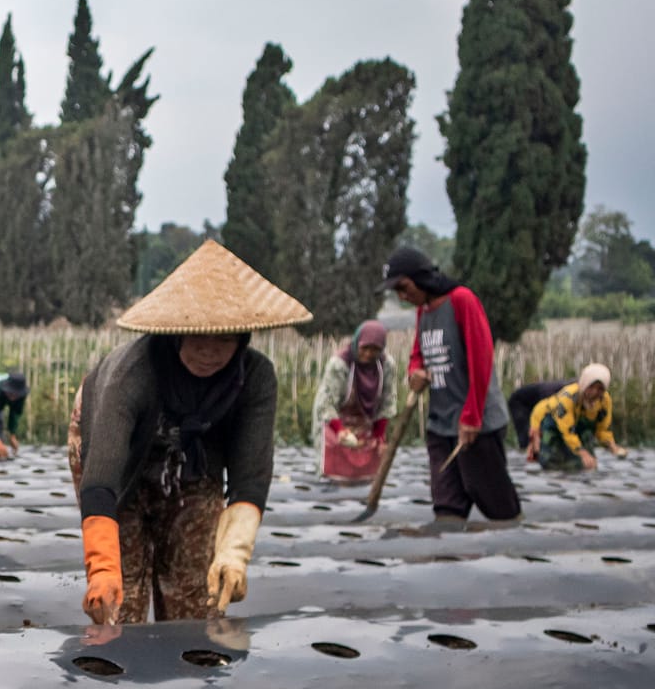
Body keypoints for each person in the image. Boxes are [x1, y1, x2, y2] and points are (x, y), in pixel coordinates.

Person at [69, 241, 310, 625]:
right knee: (123, 593)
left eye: (224, 341)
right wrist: (102, 569)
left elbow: (250, 477)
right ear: (177, 333)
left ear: (242, 338)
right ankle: (119, 673)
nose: (208, 352)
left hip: (196, 462)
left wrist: (234, 553)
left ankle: (183, 676)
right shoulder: (134, 373)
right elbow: (102, 480)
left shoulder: (255, 379)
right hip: (119, 459)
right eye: (198, 338)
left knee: (194, 587)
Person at [381, 245, 521, 523]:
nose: (402, 296)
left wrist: (471, 417)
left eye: (404, 287)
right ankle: (447, 560)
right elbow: (417, 354)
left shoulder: (461, 300)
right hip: (440, 423)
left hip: (476, 422)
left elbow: (481, 361)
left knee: (497, 507)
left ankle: (513, 553)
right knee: (446, 507)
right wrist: (415, 372)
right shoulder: (423, 312)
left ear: (421, 278)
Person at [309, 320, 398, 483]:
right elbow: (326, 404)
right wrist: (340, 430)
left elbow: (388, 402)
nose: (369, 354)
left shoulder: (386, 365)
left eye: (375, 350)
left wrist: (379, 436)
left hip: (365, 421)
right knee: (332, 476)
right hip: (334, 419)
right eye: (365, 348)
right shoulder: (340, 364)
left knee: (367, 477)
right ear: (357, 343)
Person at [528, 363, 627, 472]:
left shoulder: (604, 401)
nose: (594, 392)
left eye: (600, 389)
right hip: (553, 422)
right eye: (591, 387)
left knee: (588, 464)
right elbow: (568, 431)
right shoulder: (568, 398)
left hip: (578, 427)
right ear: (584, 384)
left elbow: (603, 429)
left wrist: (612, 446)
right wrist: (582, 453)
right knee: (551, 463)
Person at [508, 376, 571, 450]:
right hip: (519, 403)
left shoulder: (565, 391)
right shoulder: (551, 391)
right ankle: (525, 452)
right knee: (528, 434)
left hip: (533, 402)